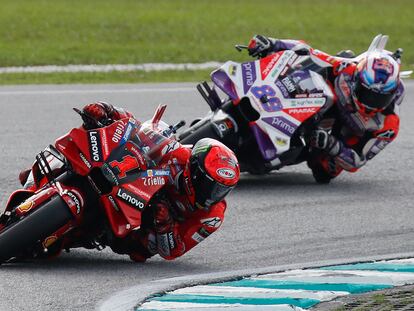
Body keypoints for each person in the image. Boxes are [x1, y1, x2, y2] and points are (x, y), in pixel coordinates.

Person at [20, 102, 240, 262]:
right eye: (211, 185)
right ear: (195, 171)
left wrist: (164, 226)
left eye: (221, 190)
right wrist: (107, 111)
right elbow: (137, 129)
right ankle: (36, 177)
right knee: (80, 146)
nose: (213, 195)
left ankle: (65, 235)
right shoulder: (180, 156)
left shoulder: (212, 215)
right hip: (124, 182)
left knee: (142, 247)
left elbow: (173, 251)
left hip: (139, 225)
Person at [247, 35, 405, 183]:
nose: (372, 102)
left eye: (380, 98)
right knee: (305, 70)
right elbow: (307, 51)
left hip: (341, 136)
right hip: (321, 105)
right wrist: (272, 43)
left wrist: (331, 144)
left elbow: (357, 161)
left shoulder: (387, 125)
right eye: (367, 93)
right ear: (357, 80)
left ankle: (285, 150)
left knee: (325, 170)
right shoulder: (347, 69)